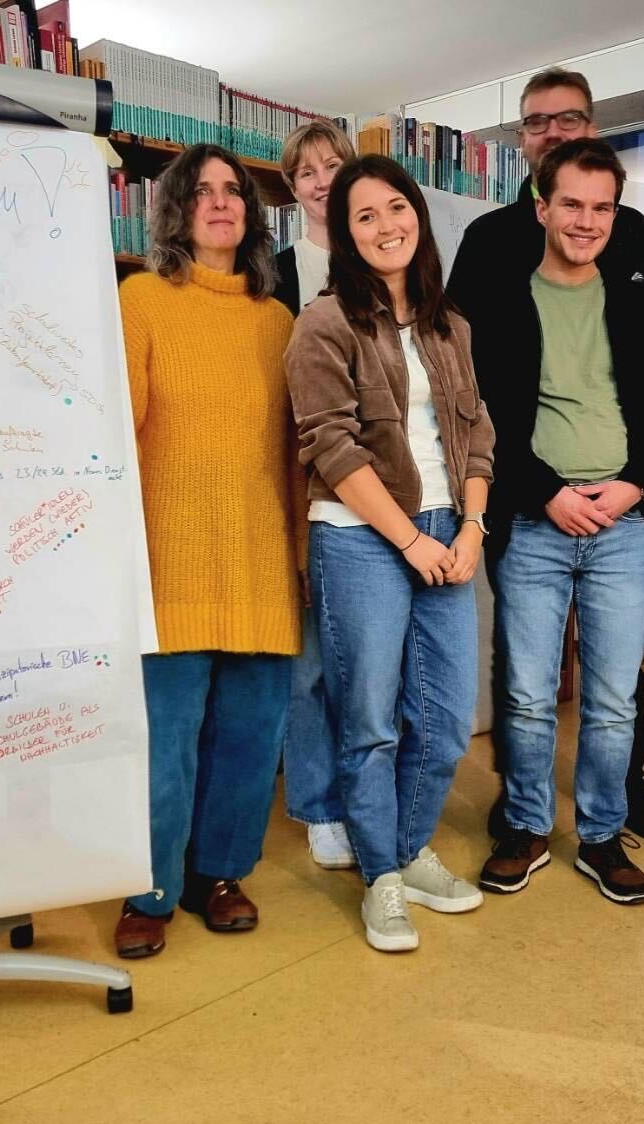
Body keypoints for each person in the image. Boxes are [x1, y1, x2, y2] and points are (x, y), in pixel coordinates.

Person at [447, 66, 644, 845]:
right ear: (526, 152)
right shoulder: (491, 243)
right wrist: (534, 488)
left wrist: (637, 485)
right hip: (528, 500)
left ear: (592, 130)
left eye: (569, 119)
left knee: (617, 681)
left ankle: (617, 800)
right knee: (524, 676)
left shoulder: (634, 238)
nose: (553, 131)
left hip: (619, 501)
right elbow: (473, 385)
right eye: (538, 122)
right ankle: (521, 810)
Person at [285, 154, 495, 952]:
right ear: (344, 232)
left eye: (395, 207)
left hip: (449, 531)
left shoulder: (451, 325)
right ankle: (382, 874)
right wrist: (409, 538)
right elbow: (329, 447)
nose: (385, 226)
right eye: (364, 215)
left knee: (443, 719)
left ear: (418, 214)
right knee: (370, 720)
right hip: (362, 538)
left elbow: (477, 435)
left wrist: (471, 528)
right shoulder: (325, 321)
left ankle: (405, 851)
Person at [113, 144, 304, 959]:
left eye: (234, 191)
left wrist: (300, 557)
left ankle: (219, 874)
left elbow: (299, 454)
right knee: (165, 741)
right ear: (175, 211)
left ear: (253, 214)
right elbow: (117, 437)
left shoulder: (279, 321)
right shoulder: (143, 300)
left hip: (262, 563)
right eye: (202, 191)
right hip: (170, 565)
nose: (221, 203)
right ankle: (150, 887)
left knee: (251, 738)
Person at [272, 119, 360, 871]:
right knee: (308, 664)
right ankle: (317, 805)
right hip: (302, 489)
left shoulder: (382, 256)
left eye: (334, 166)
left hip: (377, 491)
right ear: (290, 185)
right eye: (308, 171)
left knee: (368, 662)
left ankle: (365, 795)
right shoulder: (274, 272)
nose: (322, 179)